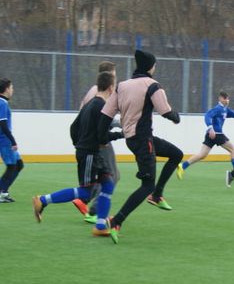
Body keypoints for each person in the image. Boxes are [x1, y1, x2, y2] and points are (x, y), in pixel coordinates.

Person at [98, 49, 183, 234]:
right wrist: (177, 117)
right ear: (151, 67)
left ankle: (157, 195)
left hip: (134, 139)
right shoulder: (152, 85)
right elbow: (165, 111)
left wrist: (101, 137)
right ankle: (116, 221)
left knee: (176, 154)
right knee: (147, 185)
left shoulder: (122, 86)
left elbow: (105, 114)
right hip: (144, 140)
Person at [32, 71, 123, 241]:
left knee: (108, 184)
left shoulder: (91, 104)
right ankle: (43, 200)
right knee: (86, 191)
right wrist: (122, 134)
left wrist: (79, 143)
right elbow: (102, 137)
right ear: (111, 88)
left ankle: (101, 225)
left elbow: (74, 127)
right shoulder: (100, 106)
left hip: (91, 152)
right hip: (89, 153)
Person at [80, 61, 121, 223]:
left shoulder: (93, 92)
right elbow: (101, 120)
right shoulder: (99, 95)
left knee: (106, 176)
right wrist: (121, 126)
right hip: (99, 141)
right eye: (114, 76)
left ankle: (91, 206)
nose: (116, 79)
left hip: (94, 140)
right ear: (109, 76)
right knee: (112, 176)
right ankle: (94, 211)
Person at [177, 91, 234, 179]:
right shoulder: (218, 108)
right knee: (233, 149)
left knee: (202, 155)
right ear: (220, 98)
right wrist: (210, 128)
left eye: (228, 99)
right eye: (225, 98)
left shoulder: (225, 109)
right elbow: (208, 115)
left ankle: (183, 166)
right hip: (217, 134)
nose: (227, 100)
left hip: (211, 135)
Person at [0, 78, 24, 204]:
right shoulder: (2, 103)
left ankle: (4, 191)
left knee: (18, 165)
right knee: (11, 167)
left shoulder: (3, 102)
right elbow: (3, 124)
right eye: (11, 87)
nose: (12, 90)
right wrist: (13, 141)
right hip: (5, 141)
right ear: (6, 89)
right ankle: (2, 192)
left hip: (6, 141)